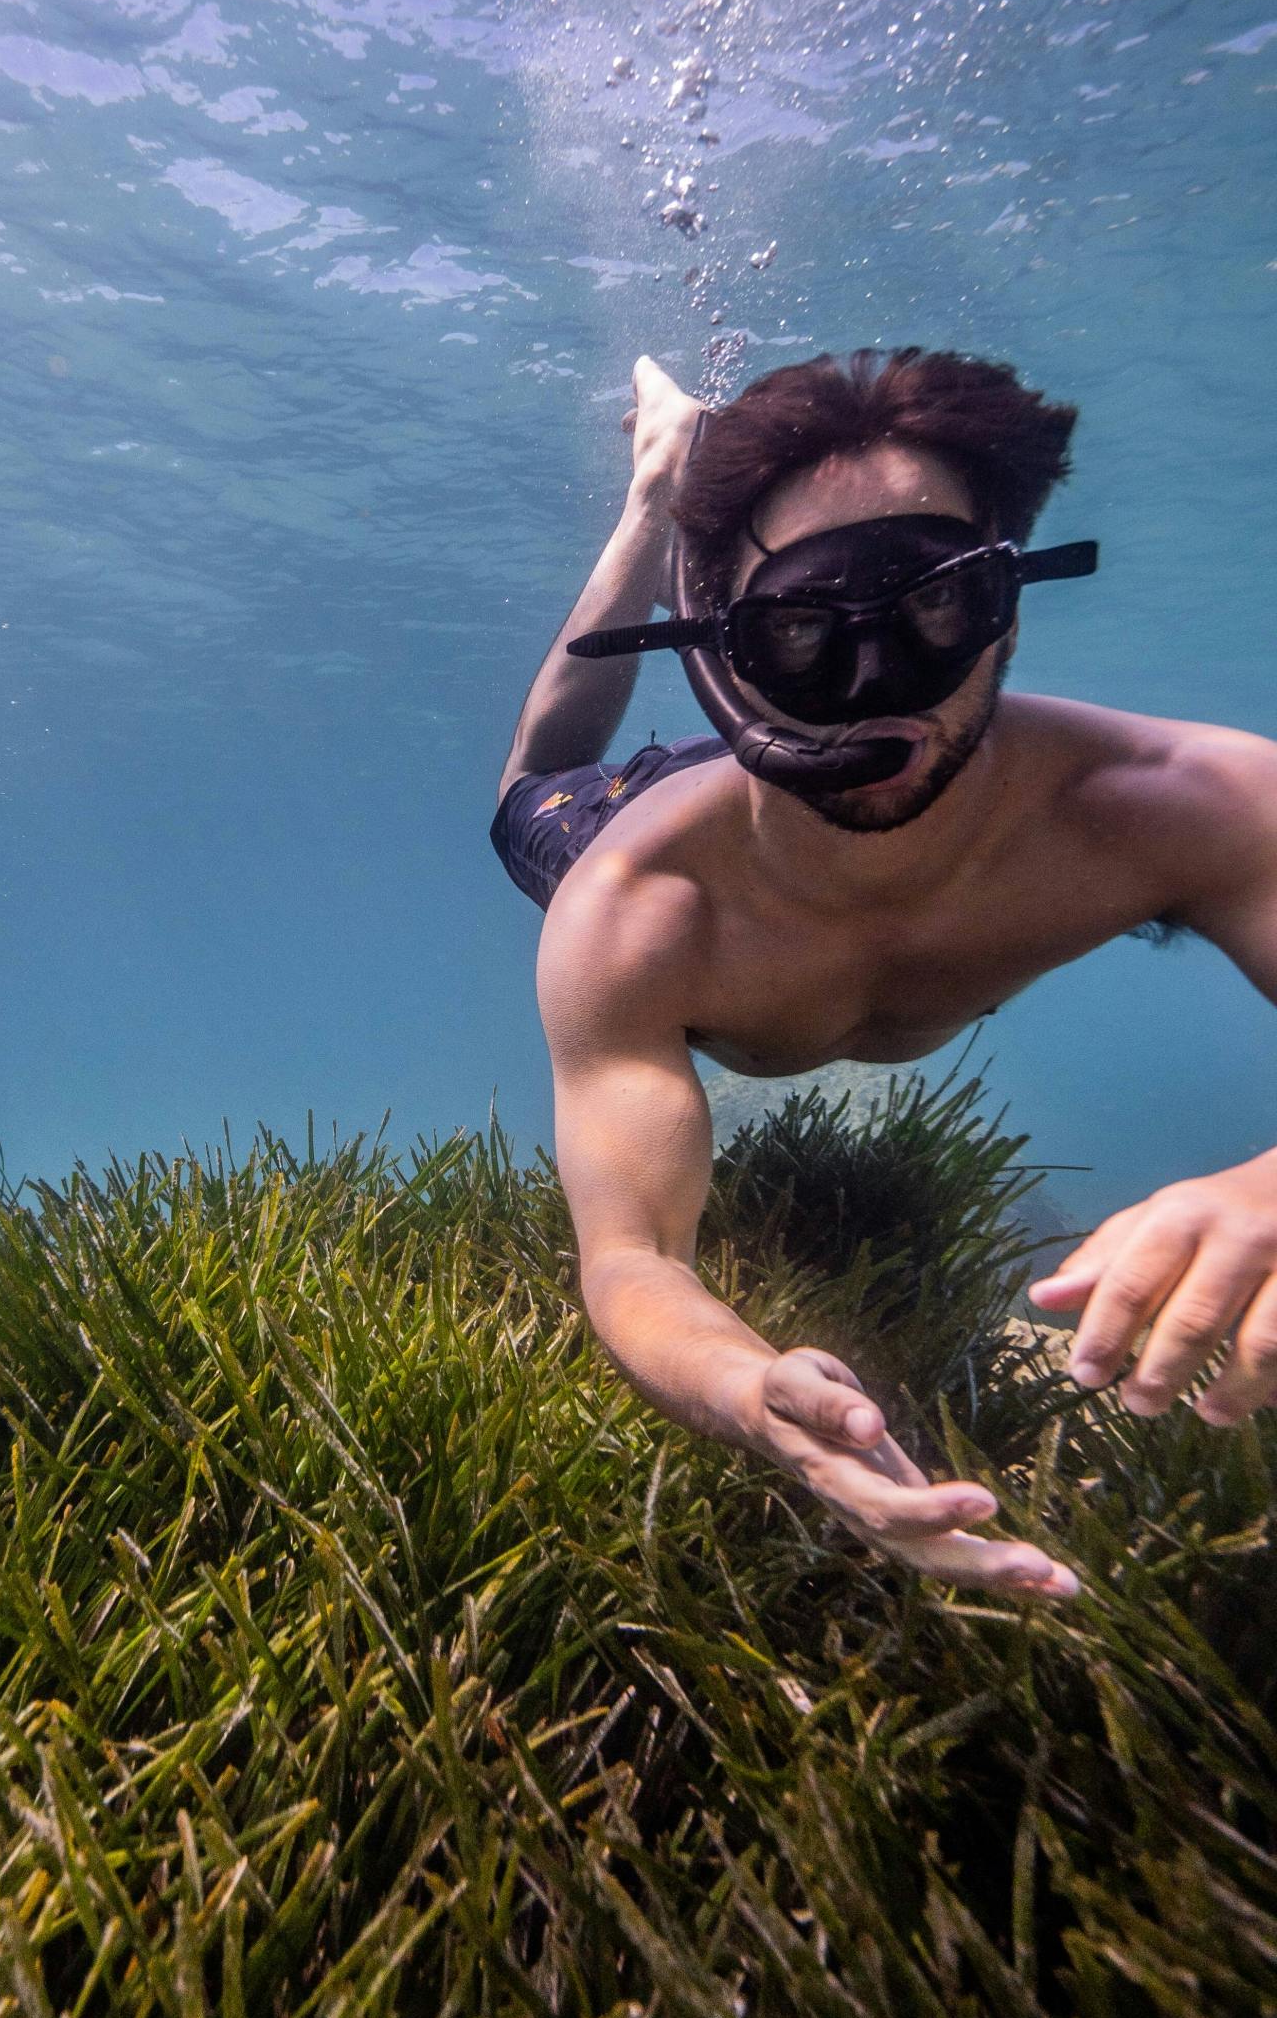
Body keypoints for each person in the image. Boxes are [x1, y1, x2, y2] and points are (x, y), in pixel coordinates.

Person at [499, 346, 1277, 1604]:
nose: (876, 692)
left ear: (1007, 597)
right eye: (802, 628)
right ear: (720, 644)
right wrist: (742, 1389)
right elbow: (634, 1257)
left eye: (930, 605)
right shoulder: (635, 911)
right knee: (528, 781)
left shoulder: (1184, 806)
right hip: (649, 811)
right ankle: (653, 490)